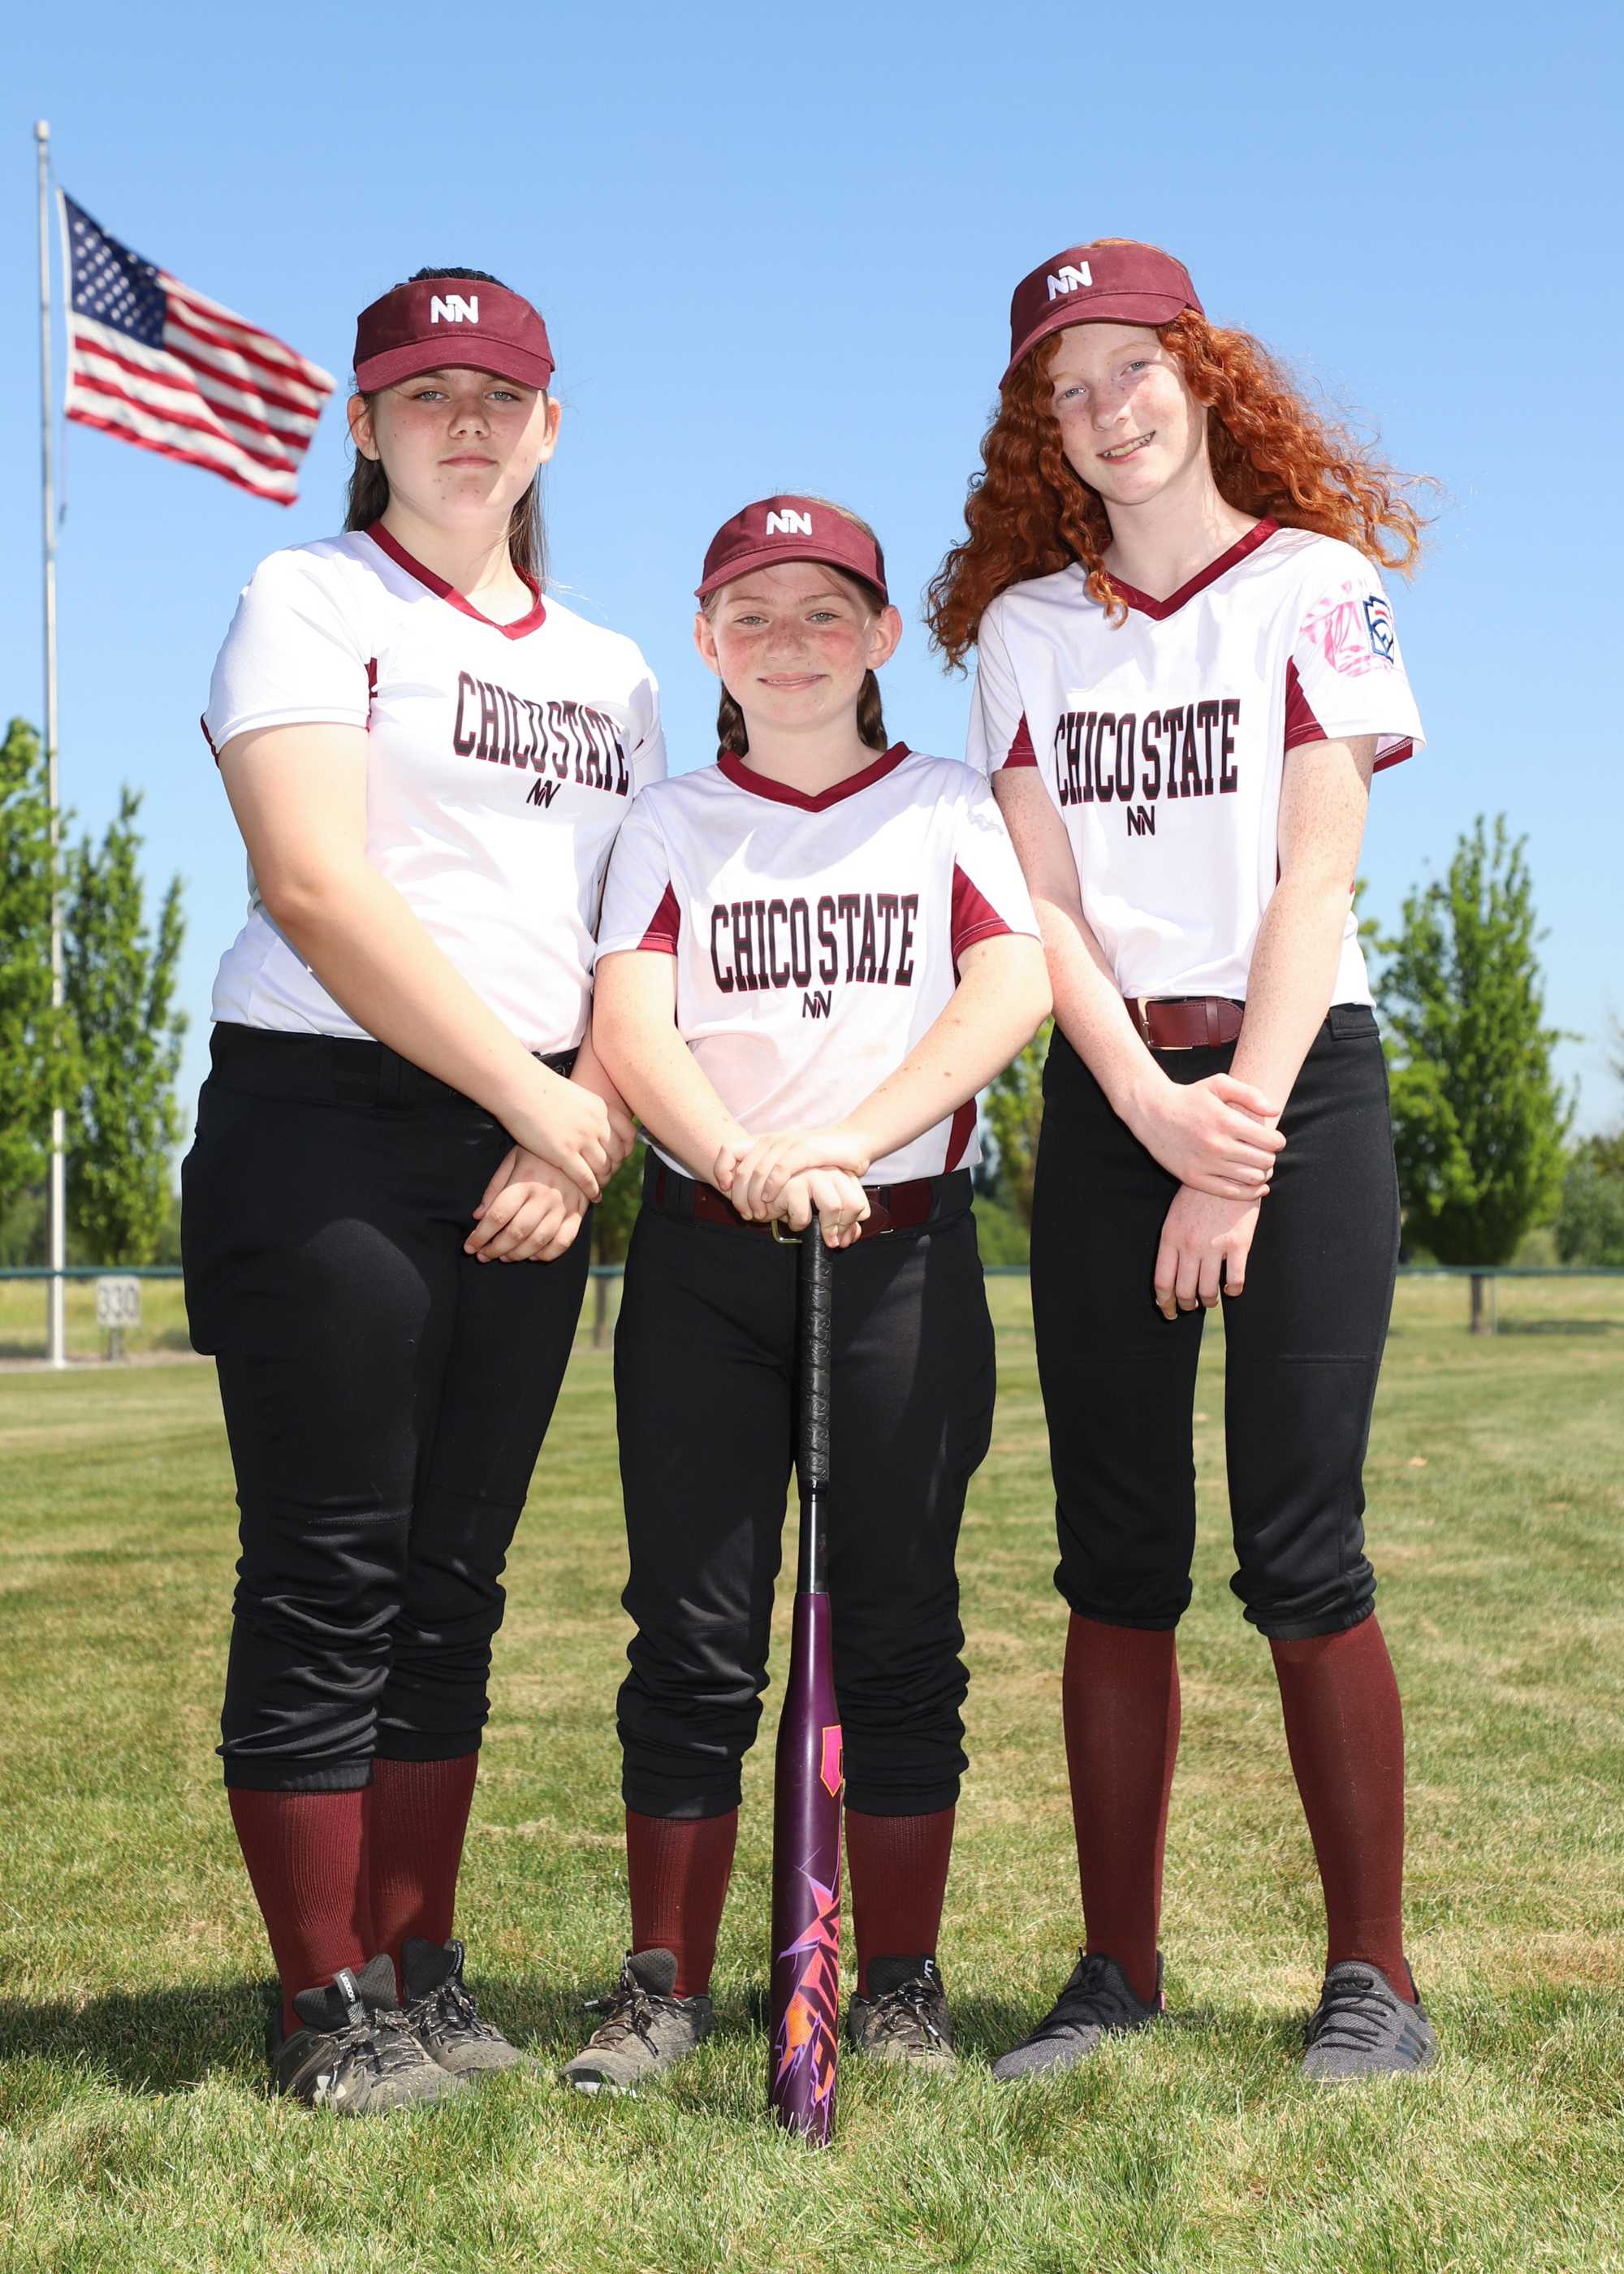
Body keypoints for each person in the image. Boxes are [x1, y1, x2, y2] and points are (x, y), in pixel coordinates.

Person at [929, 240, 1436, 2082]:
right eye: (1065, 391)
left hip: (1302, 1083)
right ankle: (1114, 1970)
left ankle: (1373, 1977)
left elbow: (1317, 873)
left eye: (1133, 367)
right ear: (1041, 431)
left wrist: (1237, 1148)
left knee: (1303, 1541)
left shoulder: (1319, 585)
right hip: (1116, 1091)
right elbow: (1046, 904)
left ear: (1205, 374)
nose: (1106, 409)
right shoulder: (1023, 636)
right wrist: (1151, 1112)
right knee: (1115, 1548)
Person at [184, 266, 663, 2113]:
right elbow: (314, 882)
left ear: (550, 430)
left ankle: (416, 1962)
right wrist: (529, 1100)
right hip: (328, 1122)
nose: (466, 422)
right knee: (331, 1574)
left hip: (536, 1139)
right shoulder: (307, 597)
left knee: (454, 1583)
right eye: (424, 392)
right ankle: (324, 2006)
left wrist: (581, 1120)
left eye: (499, 396)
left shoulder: (615, 670)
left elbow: (640, 933)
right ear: (365, 423)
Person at [562, 495, 1051, 2092]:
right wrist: (737, 1156)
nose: (791, 640)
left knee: (901, 1624)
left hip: (900, 1253)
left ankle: (898, 1983)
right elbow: (631, 1021)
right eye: (753, 613)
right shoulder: (671, 819)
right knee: (691, 1634)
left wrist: (843, 1139)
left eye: (826, 608)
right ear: (706, 642)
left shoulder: (945, 804)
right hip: (707, 1256)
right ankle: (662, 1986)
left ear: (883, 635)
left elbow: (1012, 982)